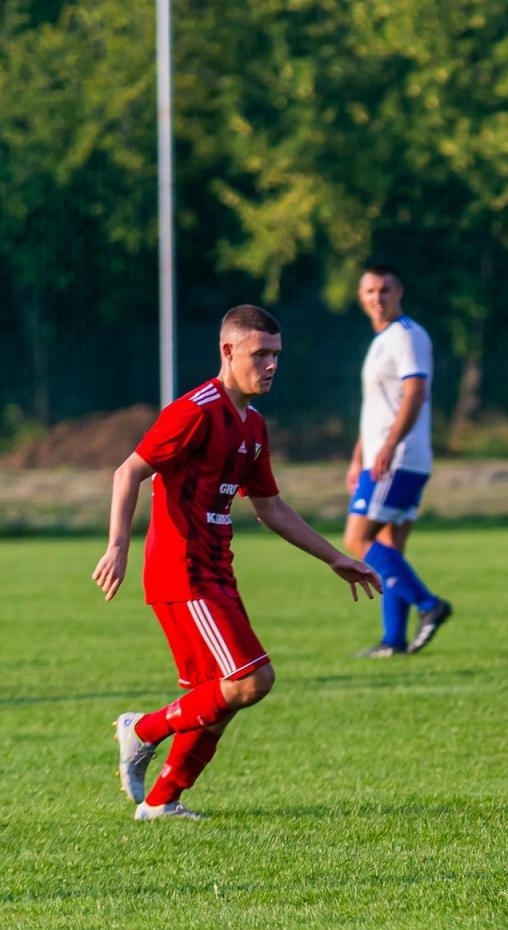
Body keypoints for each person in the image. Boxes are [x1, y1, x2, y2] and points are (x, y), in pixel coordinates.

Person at [95, 305, 382, 820]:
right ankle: (142, 730)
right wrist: (118, 544)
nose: (270, 364)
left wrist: (335, 558)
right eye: (260, 354)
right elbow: (128, 471)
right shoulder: (194, 412)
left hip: (216, 572)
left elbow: (270, 506)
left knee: (220, 698)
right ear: (228, 352)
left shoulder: (252, 425)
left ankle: (161, 803)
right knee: (253, 680)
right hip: (182, 573)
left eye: (276, 354)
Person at [343, 263, 453, 658]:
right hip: (390, 456)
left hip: (399, 458)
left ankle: (429, 605)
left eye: (385, 290)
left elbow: (415, 394)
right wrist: (359, 456)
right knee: (389, 546)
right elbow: (377, 408)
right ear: (360, 296)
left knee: (357, 539)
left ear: (399, 291)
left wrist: (388, 446)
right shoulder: (381, 339)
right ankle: (394, 640)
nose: (377, 297)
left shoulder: (407, 335)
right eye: (370, 290)